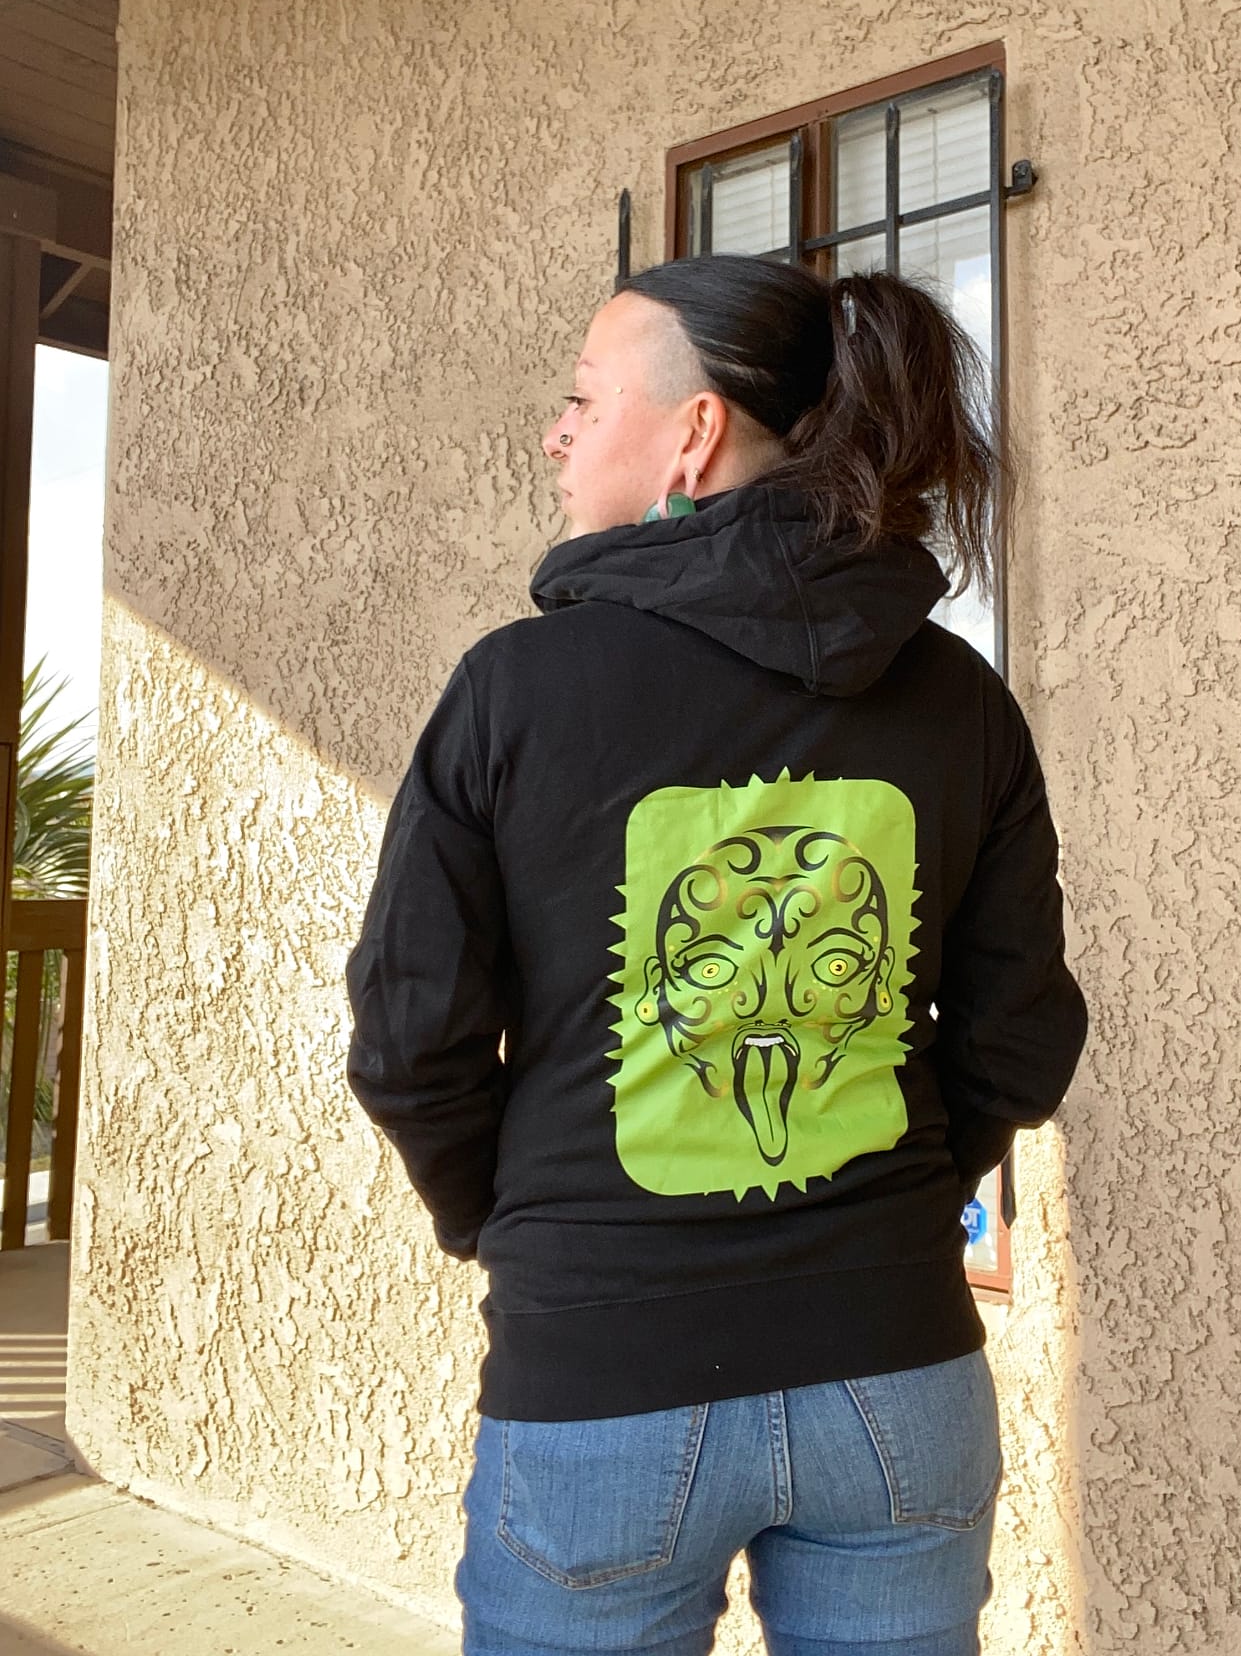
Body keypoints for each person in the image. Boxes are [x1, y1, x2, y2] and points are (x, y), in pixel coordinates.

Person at [345, 254, 1088, 1656]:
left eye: (582, 400)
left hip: (604, 1379)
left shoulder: (517, 691)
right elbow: (1021, 1037)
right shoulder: (959, 700)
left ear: (694, 435)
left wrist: (508, 1220)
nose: (555, 433)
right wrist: (900, 1203)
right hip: (898, 1372)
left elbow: (409, 1039)